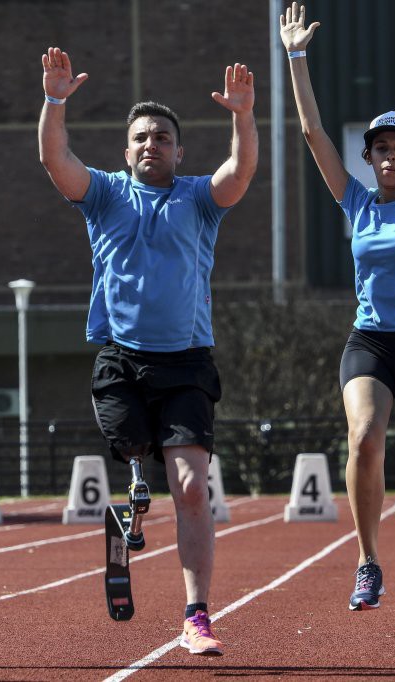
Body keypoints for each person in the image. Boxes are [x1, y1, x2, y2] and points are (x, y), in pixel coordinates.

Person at [38, 44, 257, 655]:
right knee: (134, 446)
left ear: (179, 152)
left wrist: (243, 116)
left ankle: (196, 615)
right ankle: (136, 483)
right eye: (141, 138)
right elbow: (55, 159)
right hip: (121, 358)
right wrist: (54, 101)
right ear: (126, 149)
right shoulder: (105, 195)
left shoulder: (198, 199)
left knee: (192, 488)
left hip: (186, 362)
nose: (151, 145)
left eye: (163, 137)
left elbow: (240, 172)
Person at [280, 3, 395, 611]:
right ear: (368, 157)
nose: (389, 156)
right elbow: (313, 133)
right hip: (373, 342)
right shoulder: (356, 203)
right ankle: (368, 562)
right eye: (379, 147)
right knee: (363, 437)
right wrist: (296, 57)